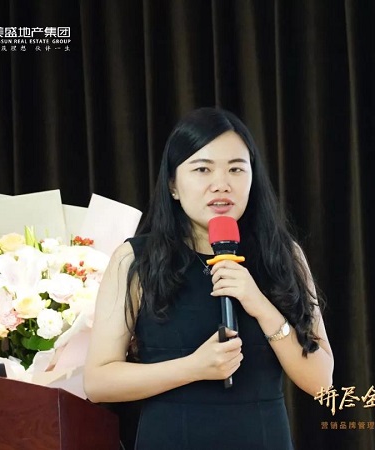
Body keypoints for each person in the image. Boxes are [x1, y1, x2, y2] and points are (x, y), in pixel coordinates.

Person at [84, 107, 333, 449]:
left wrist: (260, 304)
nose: (221, 184)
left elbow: (321, 382)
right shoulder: (136, 260)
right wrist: (193, 367)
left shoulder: (283, 256)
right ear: (173, 184)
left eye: (236, 169)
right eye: (202, 169)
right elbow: (98, 382)